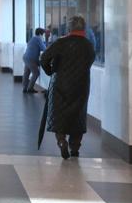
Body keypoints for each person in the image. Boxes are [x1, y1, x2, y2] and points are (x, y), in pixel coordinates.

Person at [39, 15, 96, 159]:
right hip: (81, 86)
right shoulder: (88, 45)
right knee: (78, 116)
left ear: (69, 27)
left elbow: (44, 58)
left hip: (60, 85)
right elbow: (90, 61)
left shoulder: (61, 42)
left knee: (59, 116)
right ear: (84, 27)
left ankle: (61, 142)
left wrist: (50, 71)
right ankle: (75, 148)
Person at [23, 28, 47, 93]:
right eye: (43, 34)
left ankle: (25, 88)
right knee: (36, 73)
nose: (44, 36)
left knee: (26, 73)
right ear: (40, 34)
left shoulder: (32, 38)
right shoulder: (38, 39)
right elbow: (44, 49)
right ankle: (30, 88)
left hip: (26, 57)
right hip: (31, 58)